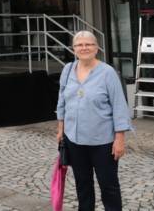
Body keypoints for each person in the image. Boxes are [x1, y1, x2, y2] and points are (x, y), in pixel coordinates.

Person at [56, 31, 130, 211]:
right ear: (73, 49)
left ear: (96, 48)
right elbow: (62, 101)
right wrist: (61, 129)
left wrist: (119, 138)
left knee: (109, 186)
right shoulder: (67, 70)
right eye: (79, 45)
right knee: (83, 185)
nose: (84, 48)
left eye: (88, 44)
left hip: (102, 141)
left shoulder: (107, 73)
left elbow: (119, 106)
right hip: (74, 139)